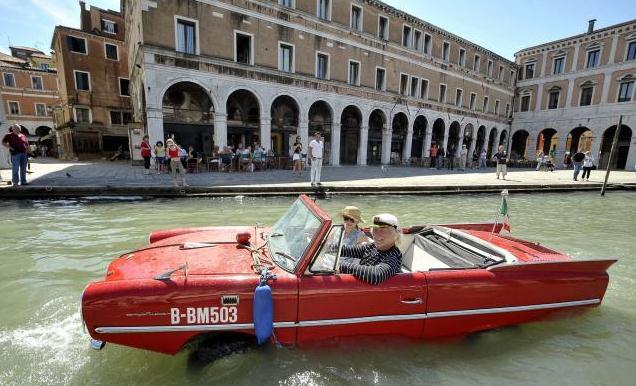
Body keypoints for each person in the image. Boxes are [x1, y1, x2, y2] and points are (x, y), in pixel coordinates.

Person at [338, 213, 403, 285]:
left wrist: (340, 265)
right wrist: (327, 246)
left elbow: (376, 276)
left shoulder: (393, 256)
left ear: (395, 234)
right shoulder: (372, 247)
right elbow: (347, 250)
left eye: (382, 230)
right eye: (375, 229)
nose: (376, 235)